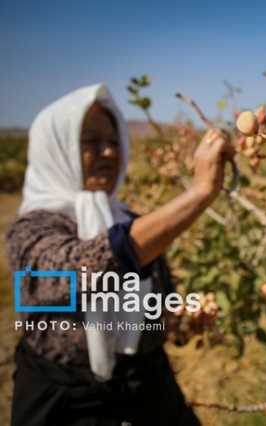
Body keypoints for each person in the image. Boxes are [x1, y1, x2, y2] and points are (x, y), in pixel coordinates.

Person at [5, 84, 234, 426]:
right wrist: (198, 193)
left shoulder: (132, 222)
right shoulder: (31, 231)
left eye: (114, 142)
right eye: (91, 141)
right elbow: (79, 269)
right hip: (66, 403)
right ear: (57, 149)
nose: (109, 153)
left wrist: (178, 320)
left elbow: (155, 305)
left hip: (148, 388)